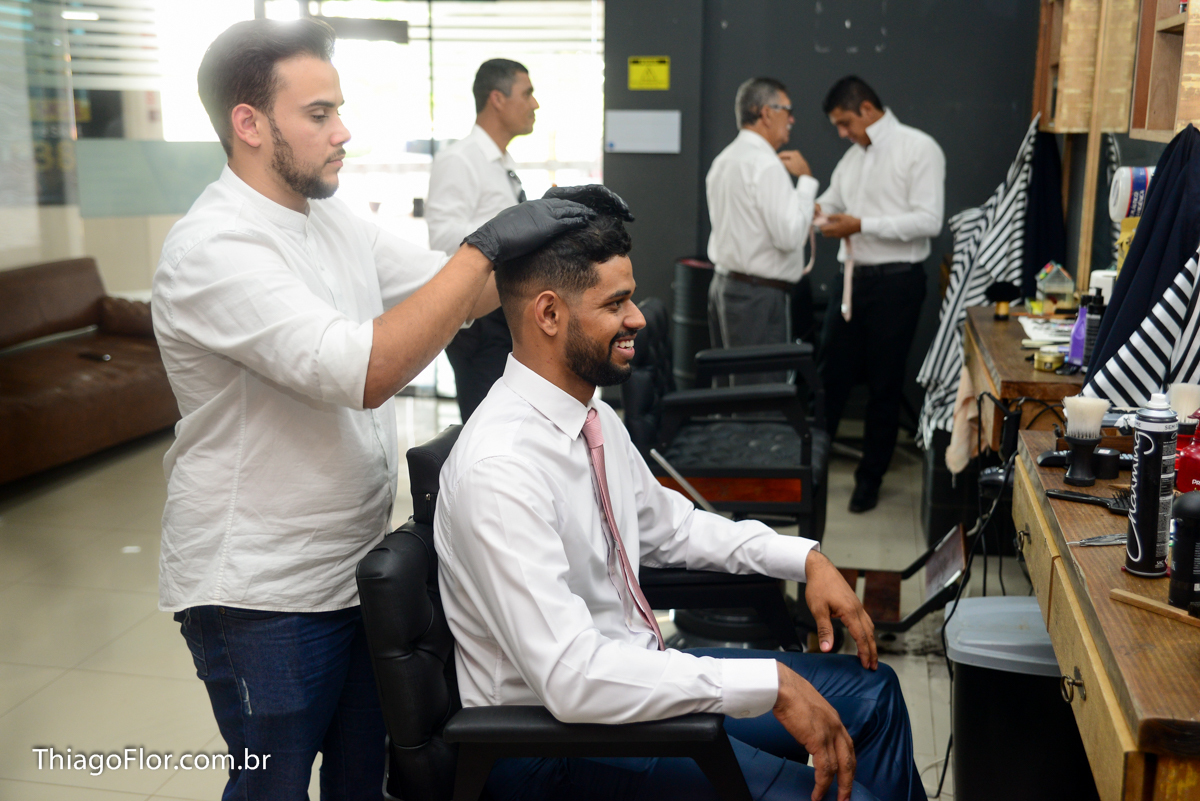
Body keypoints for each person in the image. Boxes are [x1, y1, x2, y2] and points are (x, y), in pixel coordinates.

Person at [152, 19, 592, 800]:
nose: (343, 132)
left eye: (339, 110)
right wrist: (487, 245)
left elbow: (451, 292)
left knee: (364, 780)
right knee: (272, 787)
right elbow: (366, 369)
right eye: (318, 114)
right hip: (261, 594)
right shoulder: (214, 248)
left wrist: (545, 244)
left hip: (352, 571)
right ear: (248, 124)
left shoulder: (329, 219)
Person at [435, 186, 927, 801]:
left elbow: (672, 527)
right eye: (616, 303)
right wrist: (767, 684)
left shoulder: (591, 417)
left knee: (875, 696)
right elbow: (571, 678)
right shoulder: (501, 470)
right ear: (550, 314)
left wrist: (803, 559)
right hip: (557, 749)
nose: (637, 318)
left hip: (628, 690)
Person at [815, 76, 944, 514]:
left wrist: (861, 225)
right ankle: (810, 471)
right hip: (851, 280)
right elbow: (831, 202)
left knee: (885, 384)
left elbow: (928, 220)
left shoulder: (919, 149)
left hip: (897, 283)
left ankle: (869, 480)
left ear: (867, 109)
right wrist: (810, 208)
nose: (842, 133)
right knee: (830, 377)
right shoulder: (853, 158)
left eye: (845, 123)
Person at [427, 58, 539, 420]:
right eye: (527, 94)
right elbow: (443, 236)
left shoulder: (501, 161)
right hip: (478, 319)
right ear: (497, 99)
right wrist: (514, 236)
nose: (535, 104)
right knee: (485, 423)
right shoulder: (460, 159)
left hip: (504, 309)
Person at [706, 76, 819, 384]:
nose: (792, 119)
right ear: (766, 113)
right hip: (758, 297)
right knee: (760, 396)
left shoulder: (724, 160)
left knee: (730, 390)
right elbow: (790, 237)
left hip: (725, 288)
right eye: (787, 110)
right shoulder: (766, 165)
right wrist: (806, 182)